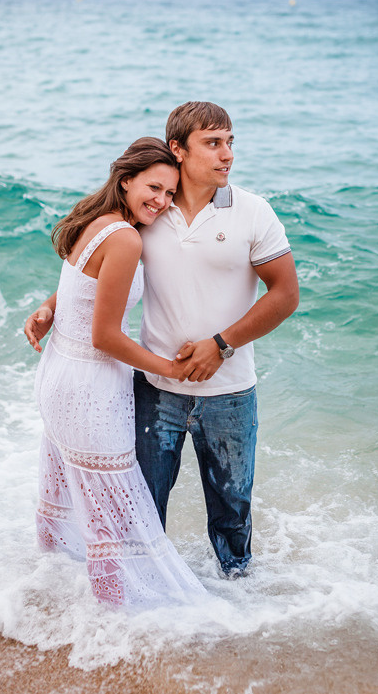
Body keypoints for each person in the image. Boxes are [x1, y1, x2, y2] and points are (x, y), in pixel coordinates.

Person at [27, 102, 299, 579]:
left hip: (230, 391)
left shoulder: (255, 212)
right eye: (213, 143)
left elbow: (286, 294)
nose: (227, 154)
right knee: (143, 511)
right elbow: (97, 269)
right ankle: (148, 618)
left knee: (233, 515)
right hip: (155, 391)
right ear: (179, 149)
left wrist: (222, 343)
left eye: (230, 142)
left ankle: (242, 614)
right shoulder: (152, 213)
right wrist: (53, 306)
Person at [28, 137, 205, 606]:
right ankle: (114, 623)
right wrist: (169, 369)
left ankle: (51, 602)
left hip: (58, 377)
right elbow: (105, 336)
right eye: (153, 187)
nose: (162, 201)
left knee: (76, 497)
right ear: (125, 181)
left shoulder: (97, 219)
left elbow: (78, 286)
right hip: (89, 387)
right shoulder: (125, 238)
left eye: (170, 193)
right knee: (108, 511)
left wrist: (47, 309)